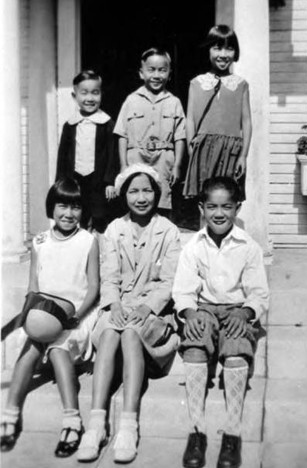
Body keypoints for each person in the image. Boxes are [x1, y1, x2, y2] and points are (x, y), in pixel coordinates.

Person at [77, 164, 180, 464]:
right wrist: (116, 305)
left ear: (157, 193)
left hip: (153, 312)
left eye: (147, 190)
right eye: (133, 191)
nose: (141, 197)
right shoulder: (114, 230)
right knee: (109, 332)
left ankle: (128, 425)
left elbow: (169, 282)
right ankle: (96, 424)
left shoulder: (169, 231)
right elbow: (109, 277)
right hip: (119, 305)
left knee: (133, 333)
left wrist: (147, 306)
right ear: (124, 196)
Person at [173, 176, 269, 468]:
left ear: (237, 208)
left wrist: (246, 313)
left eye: (226, 207)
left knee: (237, 349)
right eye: (212, 206)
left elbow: (258, 293)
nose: (219, 213)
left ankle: (232, 433)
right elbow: (183, 290)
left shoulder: (248, 247)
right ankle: (197, 431)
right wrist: (189, 314)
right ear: (201, 207)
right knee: (195, 346)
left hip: (236, 310)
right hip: (203, 308)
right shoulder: (193, 246)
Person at [0, 178, 99, 457]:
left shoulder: (88, 241)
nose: (68, 213)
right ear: (51, 208)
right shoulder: (40, 242)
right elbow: (33, 286)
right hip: (43, 313)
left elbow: (93, 287)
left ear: (83, 210)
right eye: (62, 206)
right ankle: (10, 414)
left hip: (75, 317)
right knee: (28, 352)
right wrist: (30, 315)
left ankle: (72, 420)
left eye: (75, 207)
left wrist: (77, 316)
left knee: (58, 350)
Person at [114, 48, 186, 216]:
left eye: (162, 70)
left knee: (161, 202)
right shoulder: (131, 100)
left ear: (169, 74)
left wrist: (177, 166)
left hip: (163, 158)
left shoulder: (174, 102)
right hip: (136, 156)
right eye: (151, 69)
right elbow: (122, 134)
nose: (156, 75)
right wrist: (123, 165)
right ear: (141, 73)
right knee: (136, 199)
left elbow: (180, 137)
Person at [183, 25, 252, 202]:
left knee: (228, 199)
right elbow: (190, 118)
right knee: (204, 199)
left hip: (231, 152)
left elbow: (246, 121)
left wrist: (243, 156)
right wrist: (192, 151)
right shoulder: (197, 83)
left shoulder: (241, 84)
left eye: (229, 48)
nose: (223, 54)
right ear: (208, 50)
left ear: (235, 52)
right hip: (204, 149)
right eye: (217, 47)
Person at [56, 70, 119, 233]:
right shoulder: (70, 125)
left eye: (95, 93)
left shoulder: (107, 123)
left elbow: (113, 154)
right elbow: (62, 156)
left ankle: (100, 250)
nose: (90, 98)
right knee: (78, 212)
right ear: (74, 95)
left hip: (98, 180)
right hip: (75, 178)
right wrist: (60, 182)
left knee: (100, 215)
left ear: (101, 94)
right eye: (84, 93)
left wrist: (110, 181)